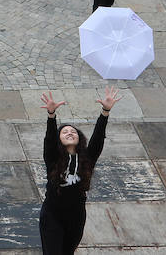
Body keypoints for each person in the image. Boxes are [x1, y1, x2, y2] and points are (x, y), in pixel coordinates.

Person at [37, 88, 121, 255]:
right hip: (53, 214)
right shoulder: (53, 158)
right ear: (59, 139)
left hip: (76, 216)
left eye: (73, 132)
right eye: (65, 132)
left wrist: (105, 112)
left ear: (79, 138)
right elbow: (49, 140)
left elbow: (98, 138)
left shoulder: (87, 158)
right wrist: (51, 116)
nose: (69, 133)